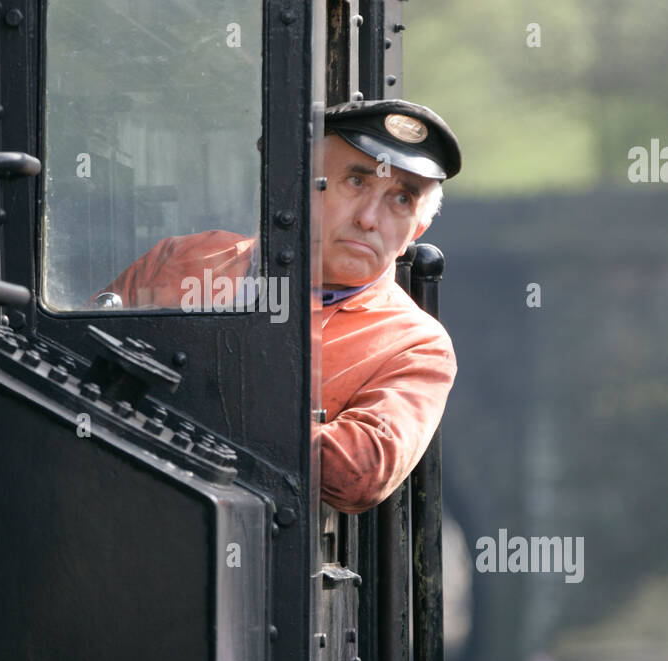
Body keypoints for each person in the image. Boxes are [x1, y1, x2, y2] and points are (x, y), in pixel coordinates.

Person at [103, 98, 462, 515]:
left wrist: (178, 393)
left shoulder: (415, 346)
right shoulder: (182, 258)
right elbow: (76, 351)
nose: (369, 218)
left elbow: (359, 470)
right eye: (356, 182)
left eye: (401, 199)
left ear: (416, 230)